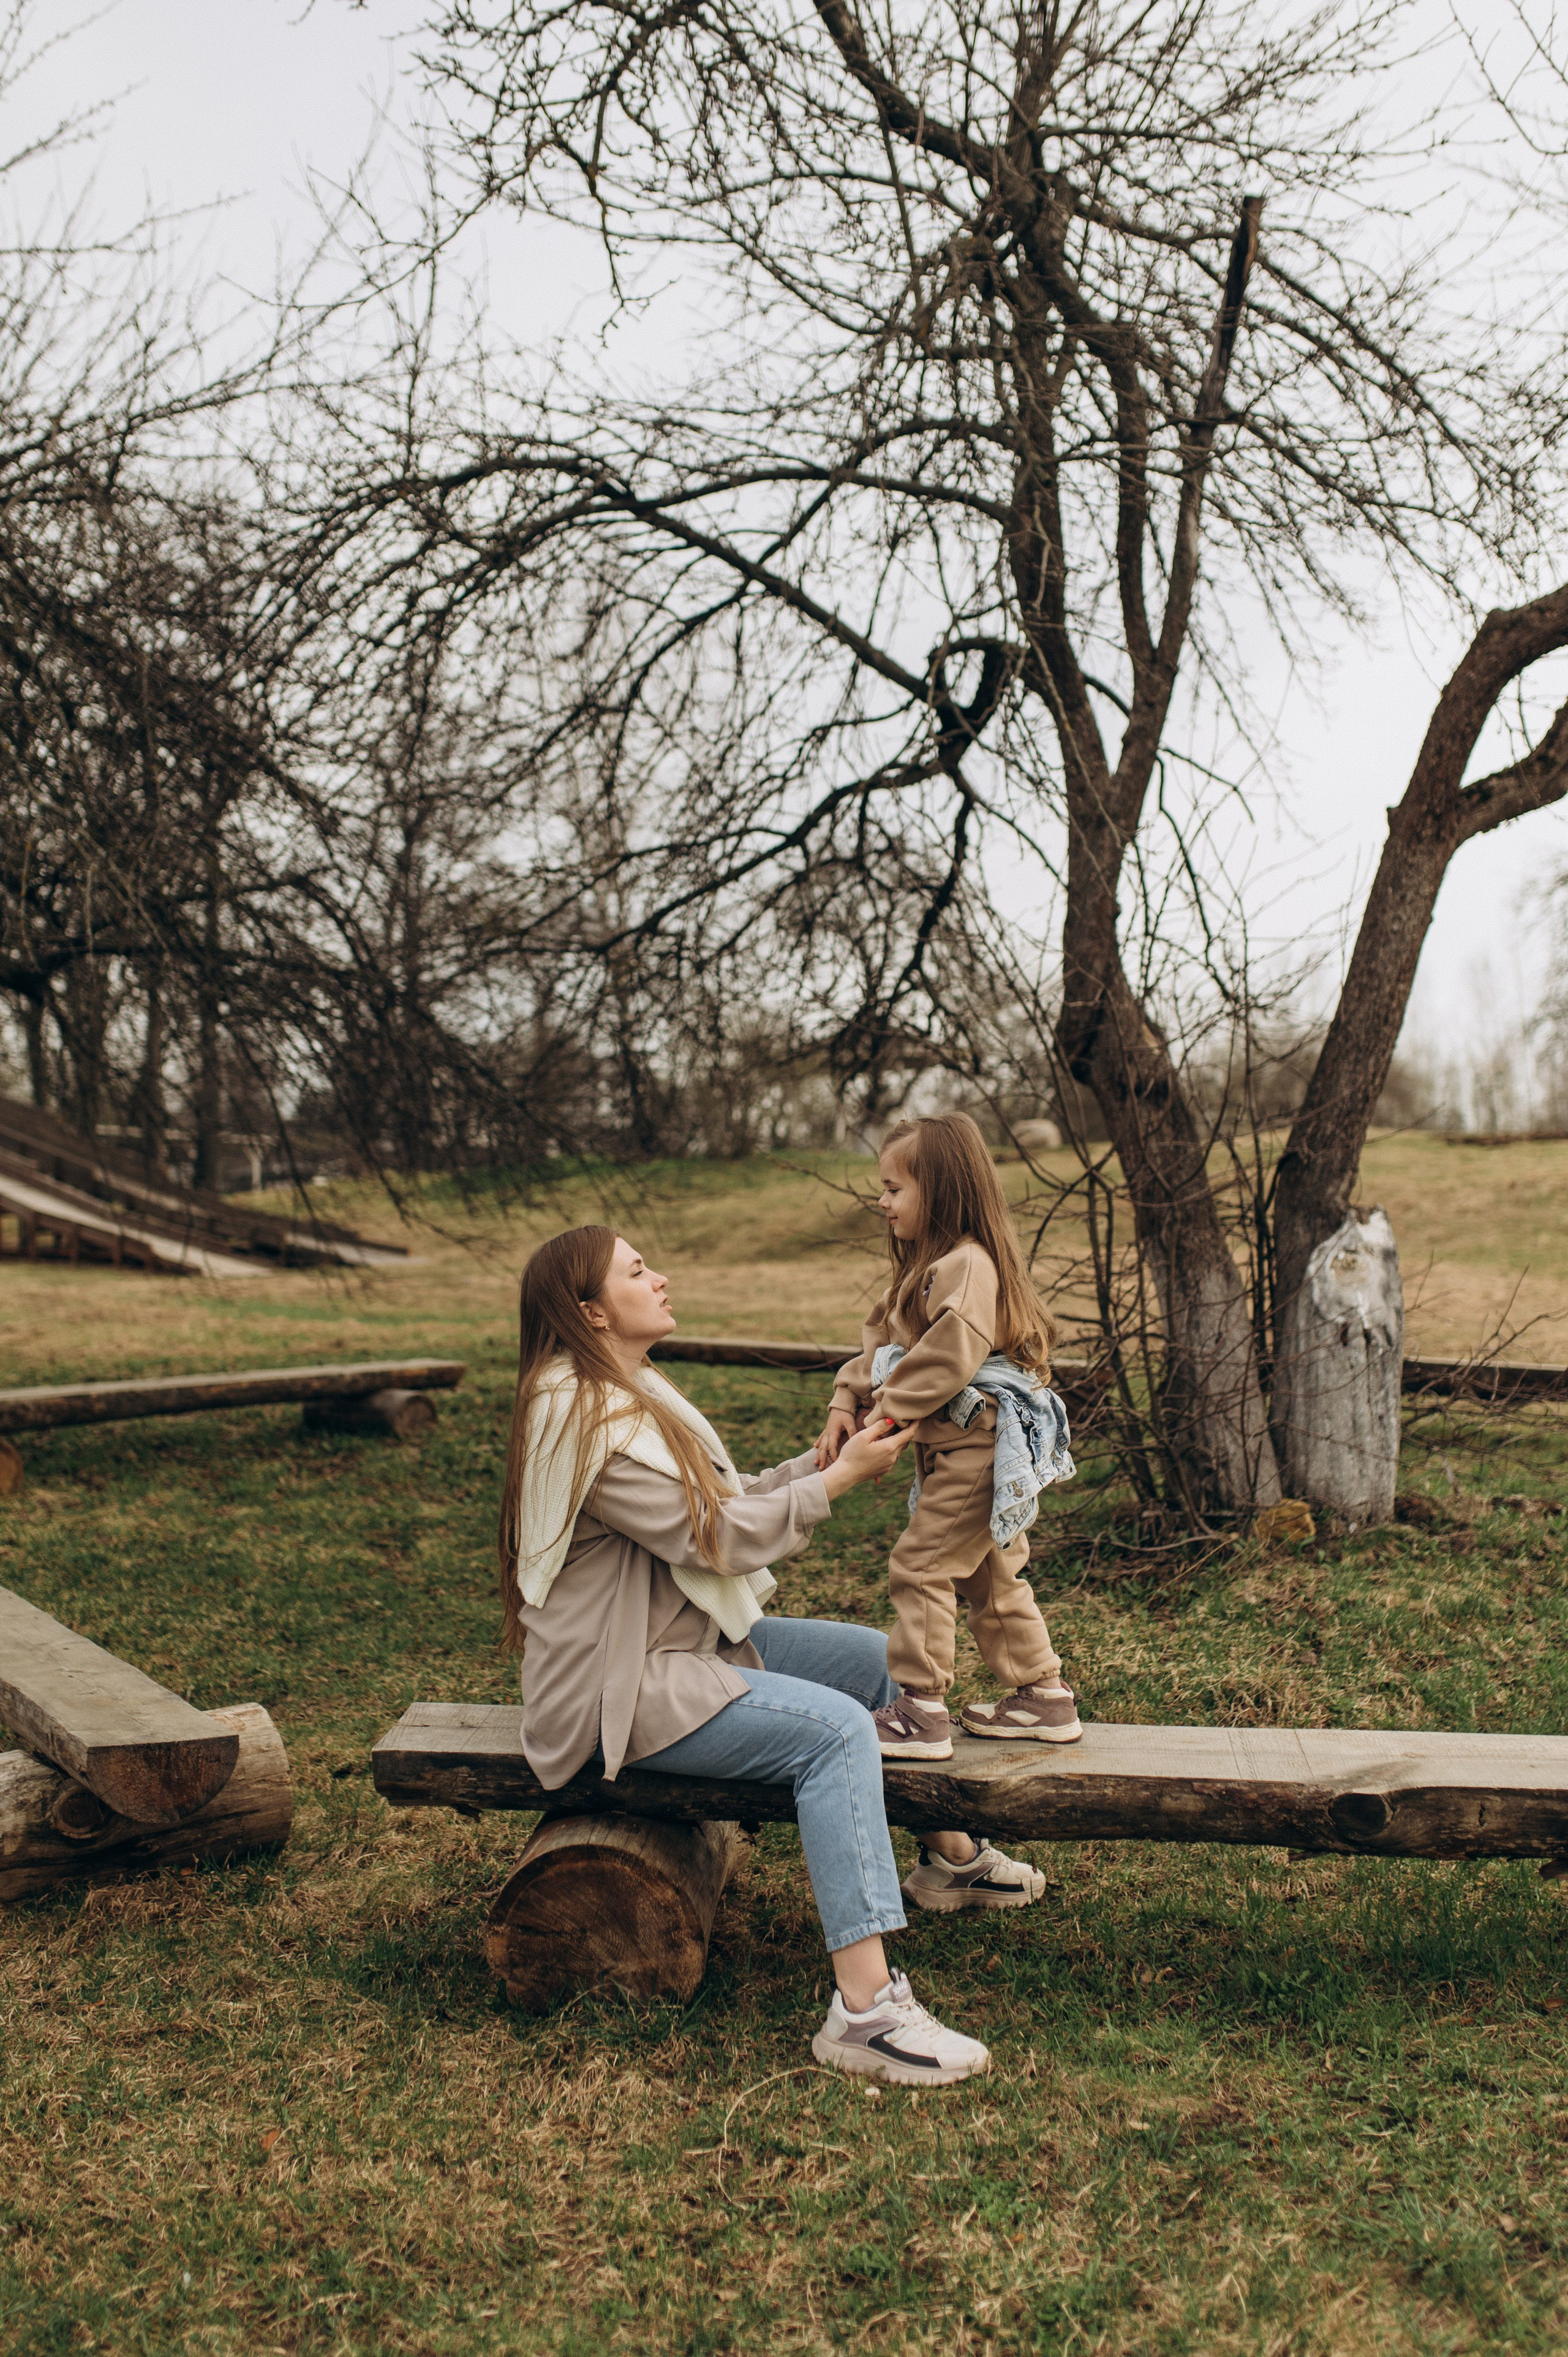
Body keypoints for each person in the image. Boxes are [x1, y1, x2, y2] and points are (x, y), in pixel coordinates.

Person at [498, 1223, 1048, 2086]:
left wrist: (819, 1459)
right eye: (640, 1271)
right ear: (591, 1313)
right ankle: (864, 2015)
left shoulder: (624, 1391)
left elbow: (721, 1501)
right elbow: (716, 1538)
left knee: (876, 1660)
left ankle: (953, 1862)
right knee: (835, 1734)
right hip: (624, 1685)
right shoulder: (582, 1417)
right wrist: (838, 1483)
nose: (663, 1278)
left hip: (686, 1642)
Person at [816, 1112, 1080, 1763]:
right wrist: (844, 1399)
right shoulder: (927, 1267)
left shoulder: (967, 1265)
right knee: (988, 1575)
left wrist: (887, 1416)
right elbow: (883, 1345)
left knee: (922, 1564)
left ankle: (920, 1709)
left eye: (893, 1188)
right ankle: (1042, 1696)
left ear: (938, 1188)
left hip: (977, 1449)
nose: (882, 1201)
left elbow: (946, 1357)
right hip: (960, 1448)